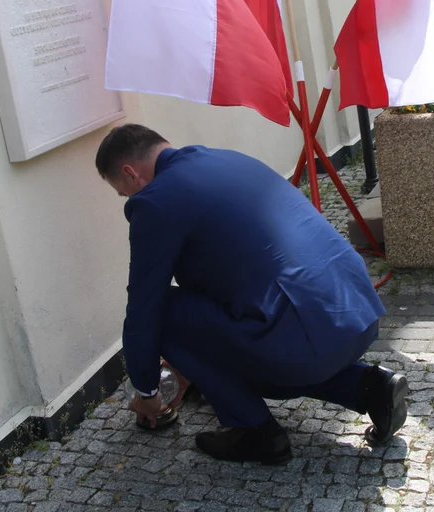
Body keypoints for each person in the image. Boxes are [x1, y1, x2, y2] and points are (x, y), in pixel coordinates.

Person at [95, 124, 407, 463]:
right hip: (356, 315)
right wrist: (192, 365)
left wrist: (147, 390)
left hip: (305, 342)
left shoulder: (155, 201)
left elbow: (144, 308)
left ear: (130, 173)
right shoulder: (227, 159)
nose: (129, 199)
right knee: (257, 352)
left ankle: (255, 432)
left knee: (165, 313)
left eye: (123, 192)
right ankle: (370, 388)